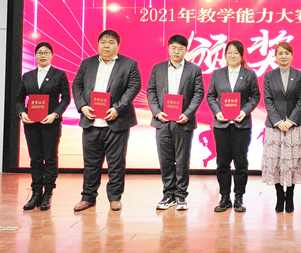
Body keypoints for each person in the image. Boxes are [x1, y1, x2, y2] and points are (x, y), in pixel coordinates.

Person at [71, 30, 141, 212]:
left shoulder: (129, 64)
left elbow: (134, 87)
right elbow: (77, 85)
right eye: (103, 42)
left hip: (116, 121)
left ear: (118, 45)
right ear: (98, 44)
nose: (106, 46)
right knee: (90, 163)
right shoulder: (87, 63)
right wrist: (82, 106)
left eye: (111, 42)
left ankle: (115, 198)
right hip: (91, 121)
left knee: (116, 162)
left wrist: (118, 108)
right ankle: (88, 197)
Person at [147, 34, 205, 211]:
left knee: (182, 160)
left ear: (186, 50)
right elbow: (151, 91)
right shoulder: (158, 68)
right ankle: (168, 195)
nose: (177, 51)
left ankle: (181, 196)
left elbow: (198, 94)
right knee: (165, 160)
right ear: (168, 48)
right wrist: (157, 112)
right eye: (173, 48)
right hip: (162, 121)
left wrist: (188, 114)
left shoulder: (194, 70)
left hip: (183, 122)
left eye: (181, 48)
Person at [15, 42, 71, 211]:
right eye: (40, 52)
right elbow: (19, 99)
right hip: (31, 123)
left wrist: (55, 114)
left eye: (46, 52)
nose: (43, 55)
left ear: (52, 55)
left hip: (51, 123)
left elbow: (66, 98)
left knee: (50, 158)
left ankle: (48, 193)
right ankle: (36, 193)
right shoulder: (28, 76)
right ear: (36, 55)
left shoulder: (59, 75)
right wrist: (22, 113)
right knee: (36, 159)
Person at [207, 40, 261, 213]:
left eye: (236, 53)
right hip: (221, 125)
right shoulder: (217, 74)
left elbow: (255, 96)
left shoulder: (249, 74)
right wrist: (217, 112)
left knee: (240, 162)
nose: (232, 55)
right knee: (222, 162)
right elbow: (210, 96)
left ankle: (239, 197)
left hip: (241, 125)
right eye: (229, 52)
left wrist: (244, 111)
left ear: (241, 55)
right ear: (225, 55)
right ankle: (224, 197)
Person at [261, 42, 301, 213]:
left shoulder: (299, 75)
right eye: (280, 53)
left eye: (287, 53)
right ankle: (280, 196)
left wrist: (291, 120)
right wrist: (278, 121)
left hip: (293, 125)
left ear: (292, 55)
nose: (283, 56)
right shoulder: (269, 76)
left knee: (292, 162)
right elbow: (268, 100)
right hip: (275, 126)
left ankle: (290, 196)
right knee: (277, 162)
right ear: (275, 56)